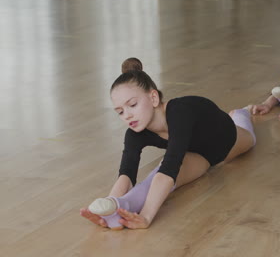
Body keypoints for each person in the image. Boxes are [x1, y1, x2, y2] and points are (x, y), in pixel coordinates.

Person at [80, 58, 256, 230]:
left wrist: (146, 216)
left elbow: (169, 168)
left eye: (132, 105)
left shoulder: (180, 112)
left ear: (154, 98)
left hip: (226, 140)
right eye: (120, 111)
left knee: (250, 139)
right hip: (201, 157)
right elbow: (126, 174)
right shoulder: (134, 133)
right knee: (161, 174)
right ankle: (122, 205)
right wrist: (109, 206)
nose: (127, 115)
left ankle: (242, 113)